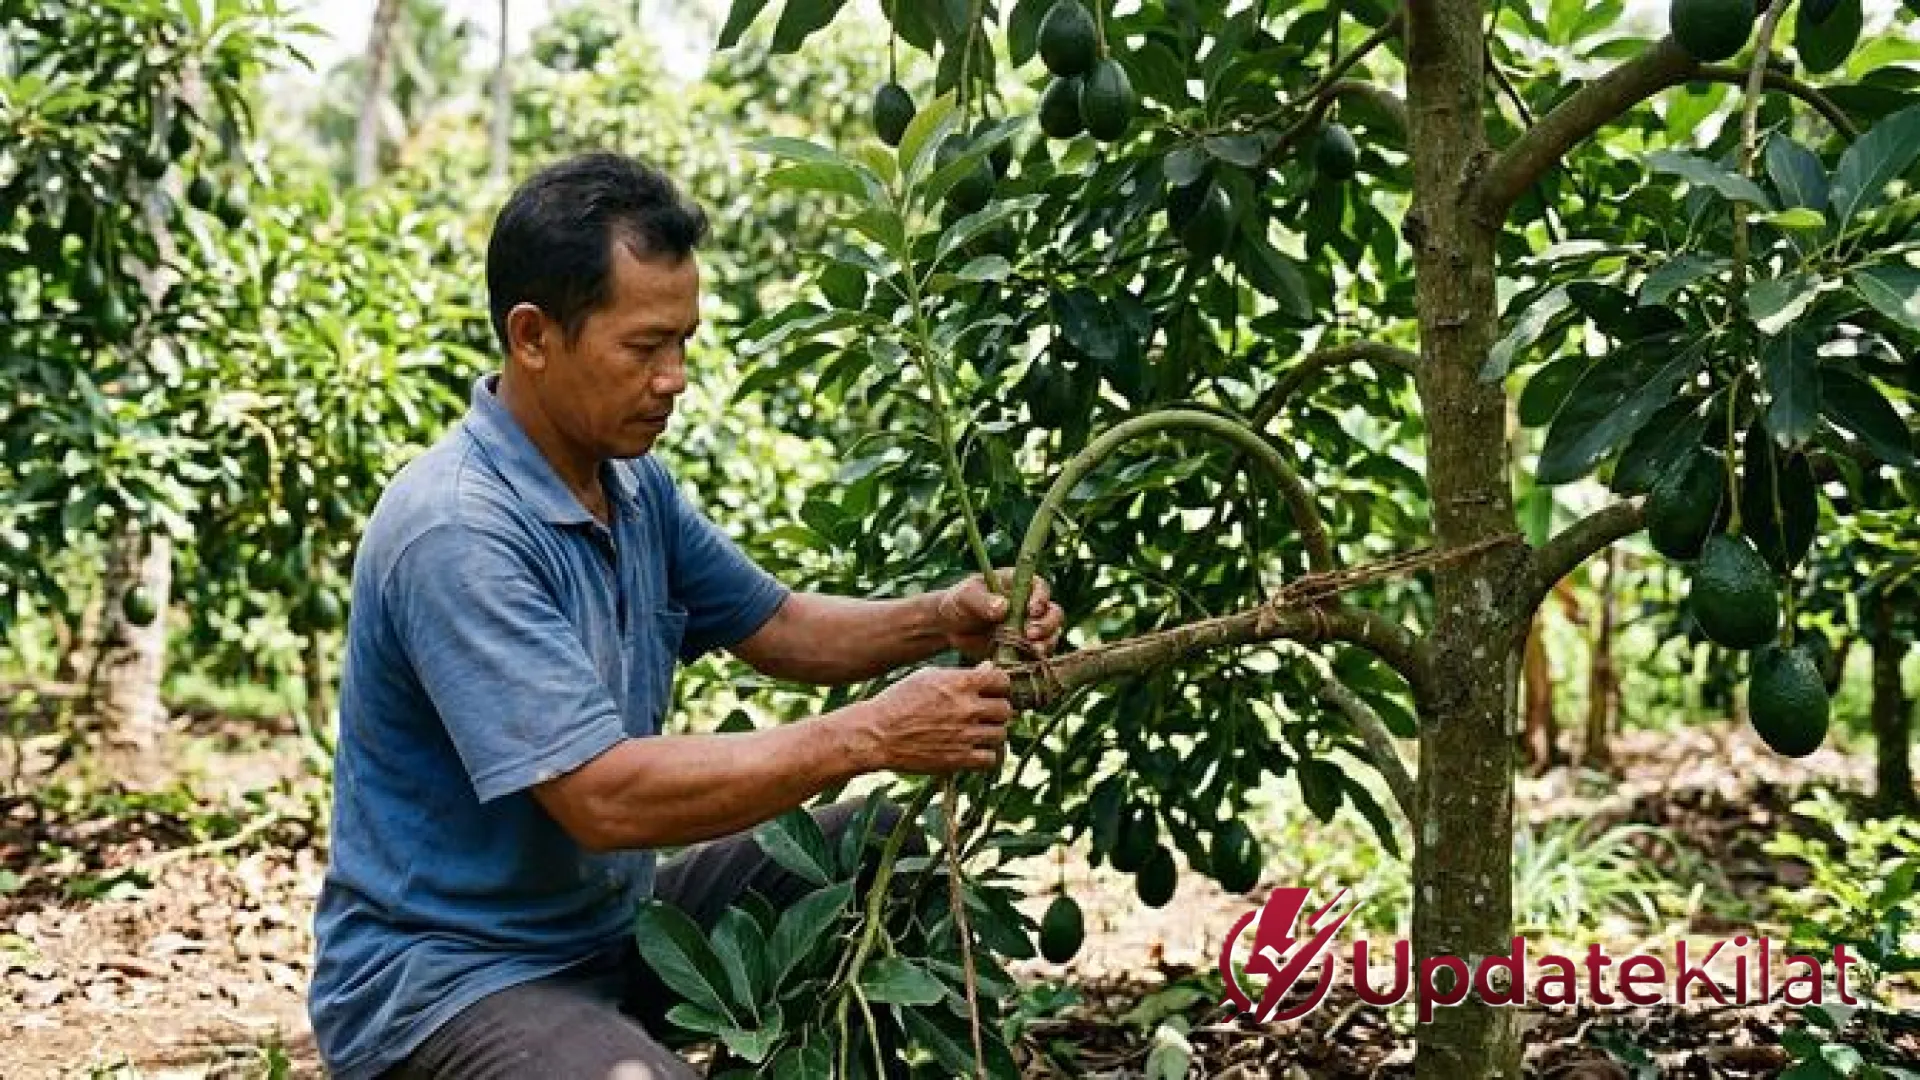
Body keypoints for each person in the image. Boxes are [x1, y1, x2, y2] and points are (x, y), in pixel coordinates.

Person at [306, 152, 1066, 1080]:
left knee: (878, 853)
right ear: (534, 337)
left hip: (606, 941)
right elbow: (603, 797)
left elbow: (779, 627)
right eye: (643, 348)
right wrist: (871, 732)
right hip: (447, 983)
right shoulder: (456, 528)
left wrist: (943, 618)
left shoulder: (629, 486)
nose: (674, 379)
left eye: (684, 346)